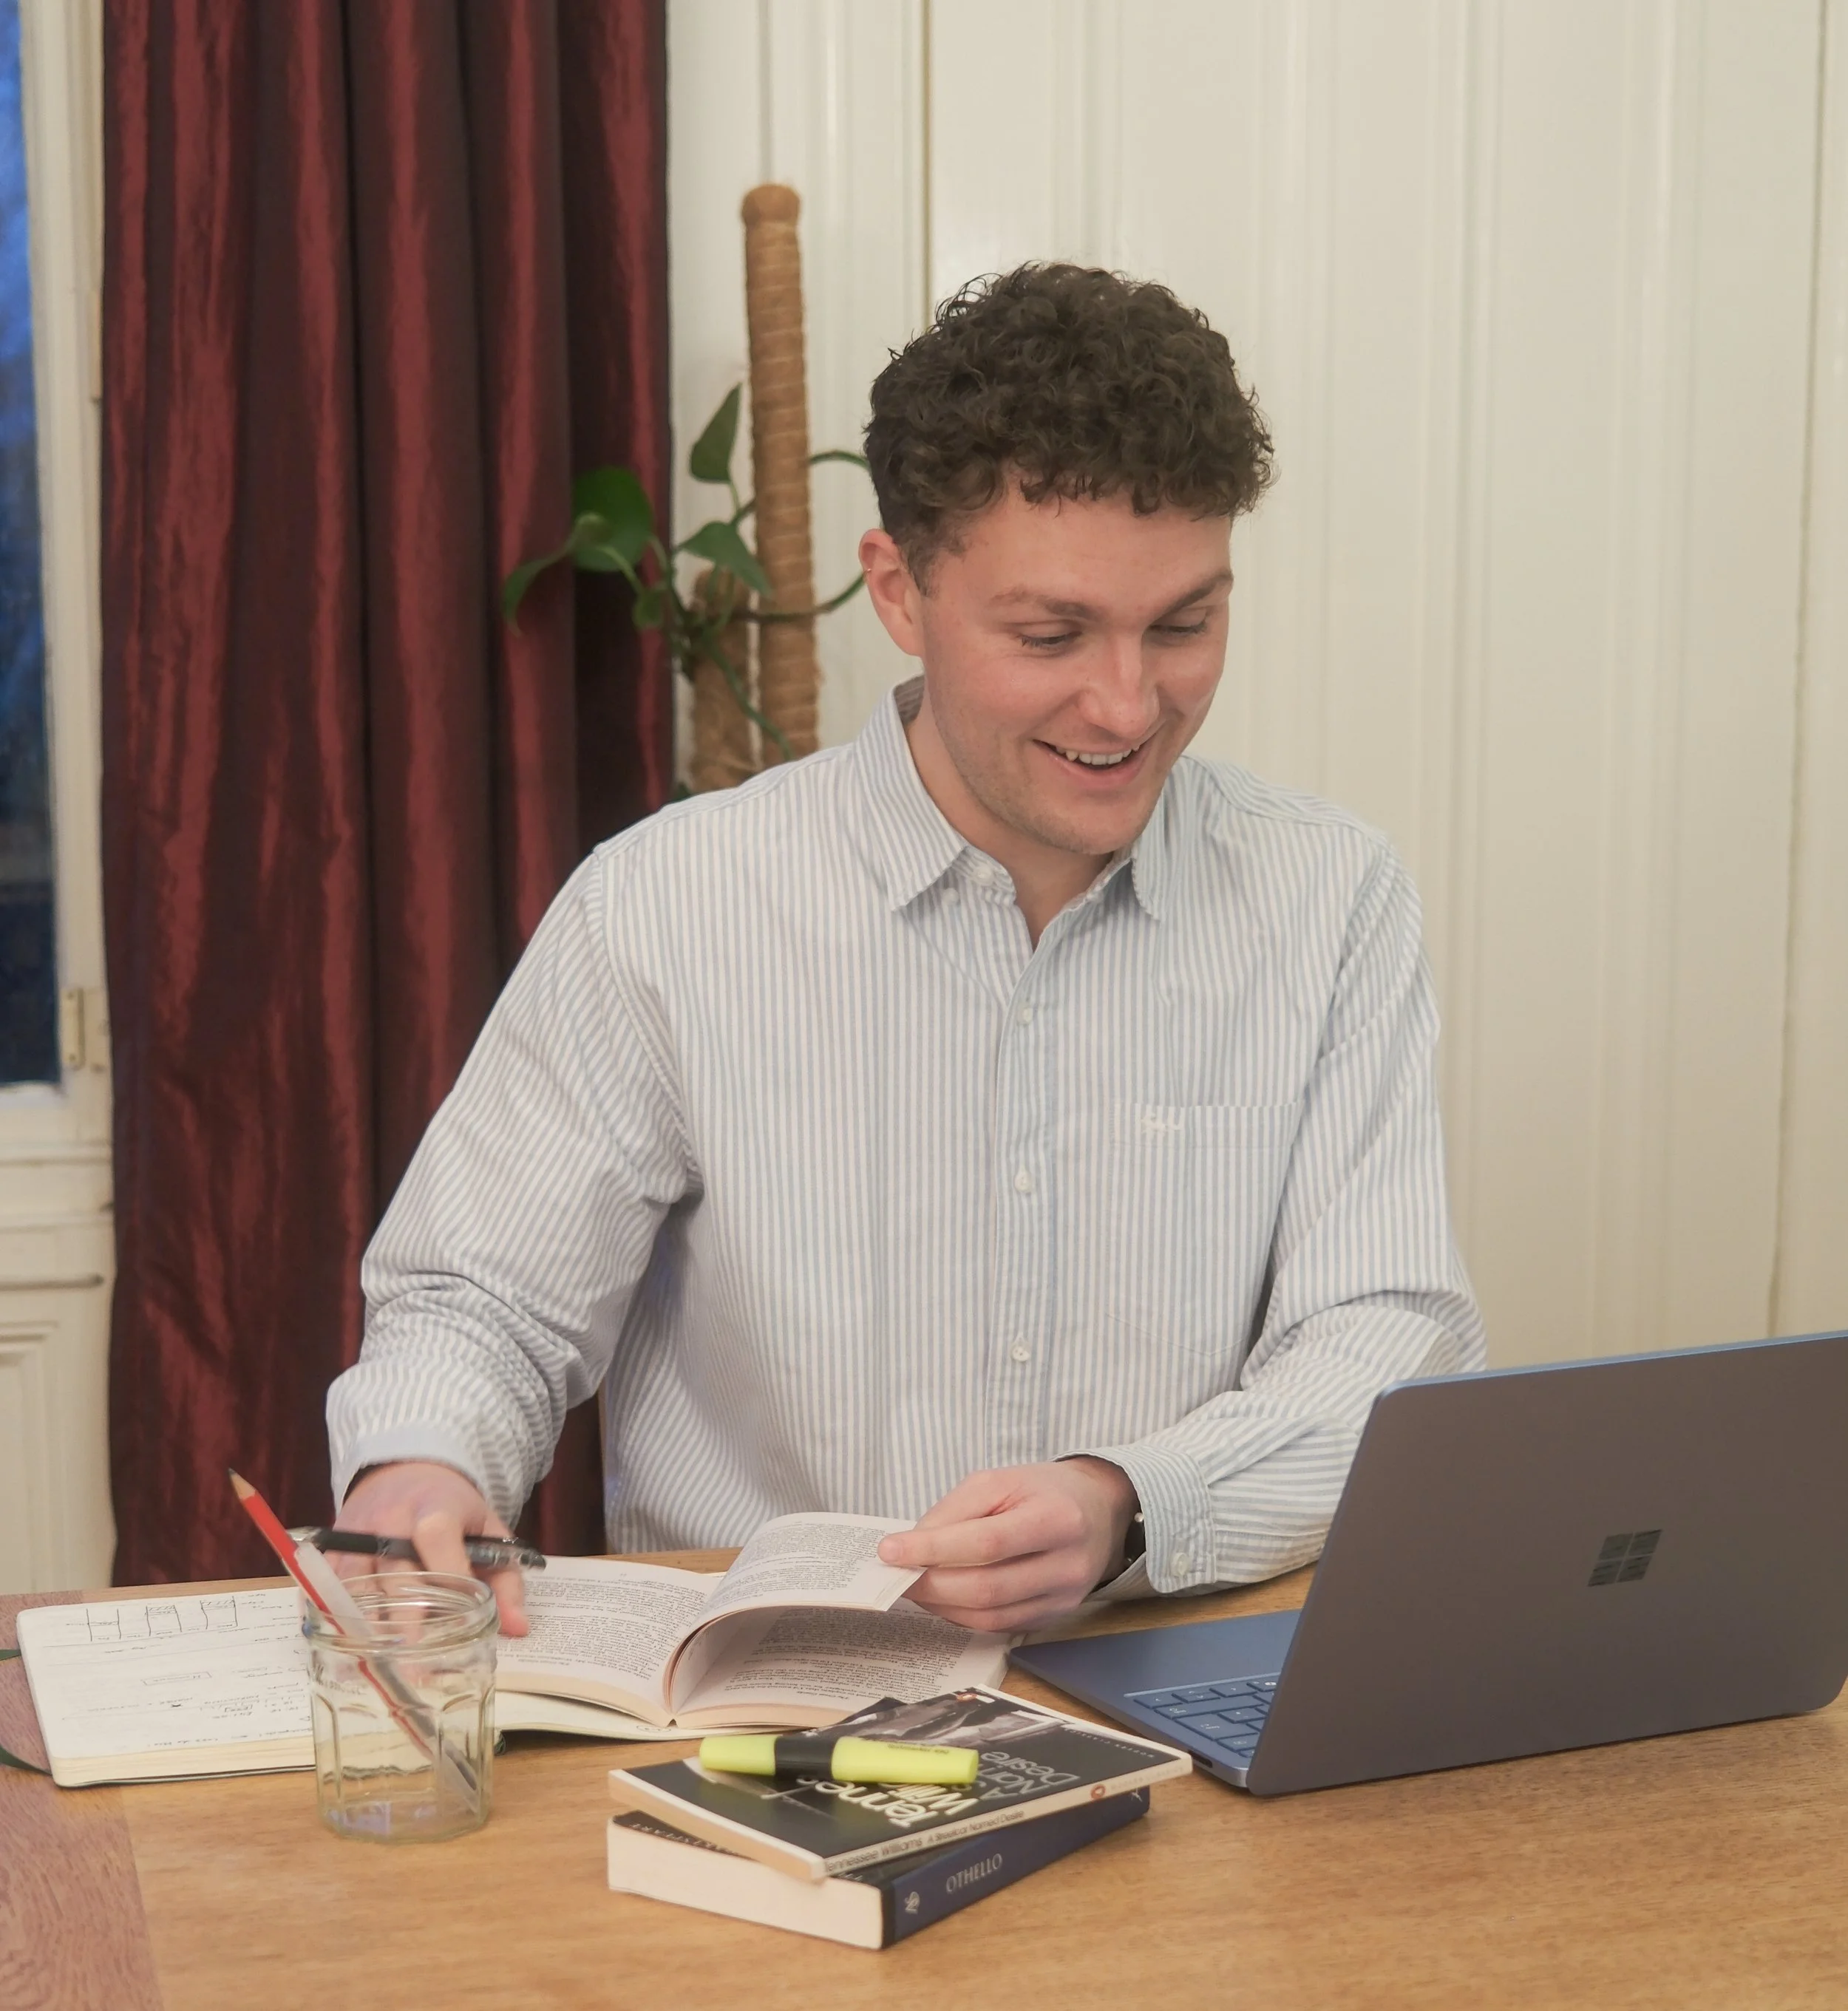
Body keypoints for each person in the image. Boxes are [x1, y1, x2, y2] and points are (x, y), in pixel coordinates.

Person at [327, 263, 1485, 1640]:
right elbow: (485, 1298)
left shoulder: (1330, 897)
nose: (1128, 703)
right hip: (763, 1709)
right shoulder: (666, 906)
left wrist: (1127, 1499)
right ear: (898, 590)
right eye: (1051, 633)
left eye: (1183, 624)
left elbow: (1387, 1345)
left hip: (1176, 1688)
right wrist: (421, 1464)